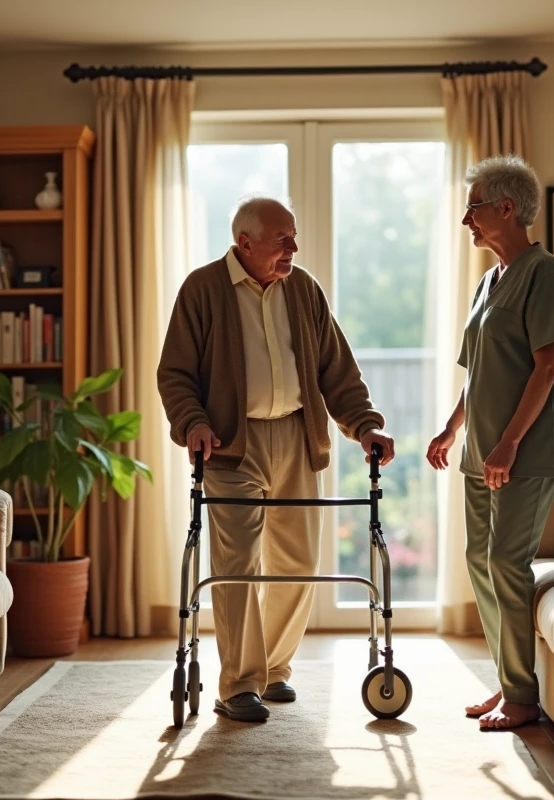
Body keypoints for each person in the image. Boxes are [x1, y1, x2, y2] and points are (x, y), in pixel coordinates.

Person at [157, 196, 395, 722]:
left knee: (298, 563)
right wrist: (192, 422)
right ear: (245, 243)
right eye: (281, 238)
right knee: (238, 564)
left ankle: (273, 671)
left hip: (295, 437)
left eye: (293, 237)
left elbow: (336, 369)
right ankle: (238, 684)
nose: (293, 247)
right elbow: (174, 374)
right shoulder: (203, 289)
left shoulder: (303, 288)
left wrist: (366, 425)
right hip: (229, 445)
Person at [426, 155, 554, 731]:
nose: (467, 219)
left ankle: (521, 696)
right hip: (482, 450)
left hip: (525, 451)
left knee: (506, 562)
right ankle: (510, 680)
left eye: (474, 207)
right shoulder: (490, 280)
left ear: (506, 209)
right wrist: (452, 427)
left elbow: (546, 369)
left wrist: (510, 443)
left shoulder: (543, 272)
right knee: (478, 562)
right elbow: (480, 373)